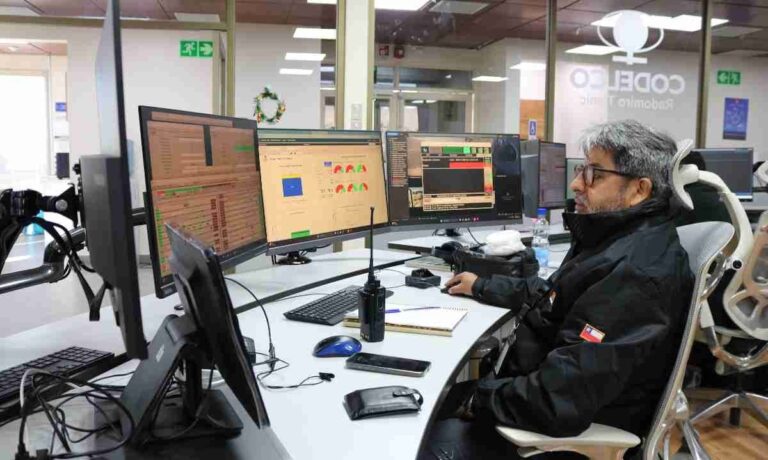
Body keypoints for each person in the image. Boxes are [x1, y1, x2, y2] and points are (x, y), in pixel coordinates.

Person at [420, 120, 694, 460]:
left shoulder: (635, 272)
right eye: (581, 170)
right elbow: (554, 297)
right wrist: (483, 285)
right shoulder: (617, 241)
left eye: (594, 174)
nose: (577, 184)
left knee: (407, 437)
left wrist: (477, 399)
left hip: (555, 437)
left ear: (640, 189)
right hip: (532, 395)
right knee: (427, 401)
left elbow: (558, 399)